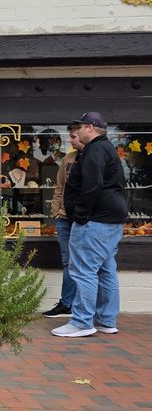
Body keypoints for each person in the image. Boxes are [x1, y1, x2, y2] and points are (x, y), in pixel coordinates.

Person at [51, 112, 128, 338]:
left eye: (81, 127)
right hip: (110, 220)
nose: (78, 131)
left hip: (95, 220)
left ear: (91, 128)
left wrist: (81, 216)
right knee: (105, 269)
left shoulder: (95, 150)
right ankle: (106, 320)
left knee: (83, 270)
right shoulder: (106, 149)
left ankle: (82, 322)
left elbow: (91, 186)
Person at [42, 123, 83, 318]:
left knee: (83, 263)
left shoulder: (93, 158)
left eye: (74, 136)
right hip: (64, 219)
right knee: (68, 261)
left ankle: (81, 306)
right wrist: (56, 212)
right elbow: (59, 187)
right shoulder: (68, 159)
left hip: (83, 219)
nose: (71, 140)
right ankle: (66, 303)